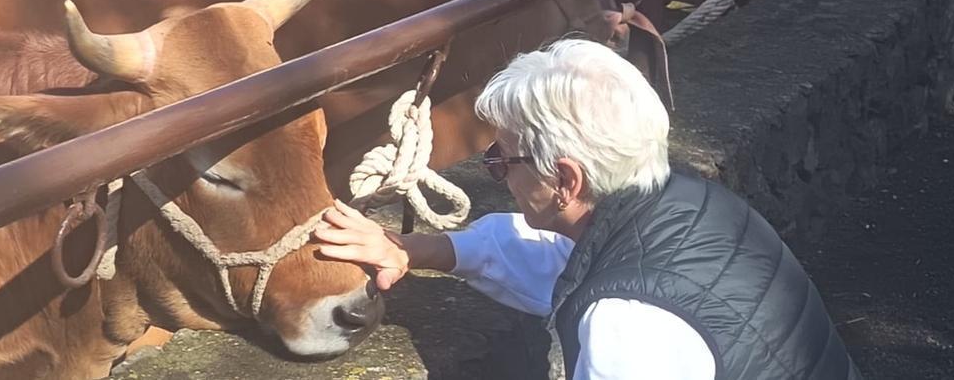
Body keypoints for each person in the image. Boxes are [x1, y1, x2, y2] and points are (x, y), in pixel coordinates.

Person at [315, 39, 862, 380]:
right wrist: (409, 247)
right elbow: (553, 259)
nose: (495, 171)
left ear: (566, 180)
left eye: (501, 159)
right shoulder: (686, 206)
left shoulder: (628, 324)